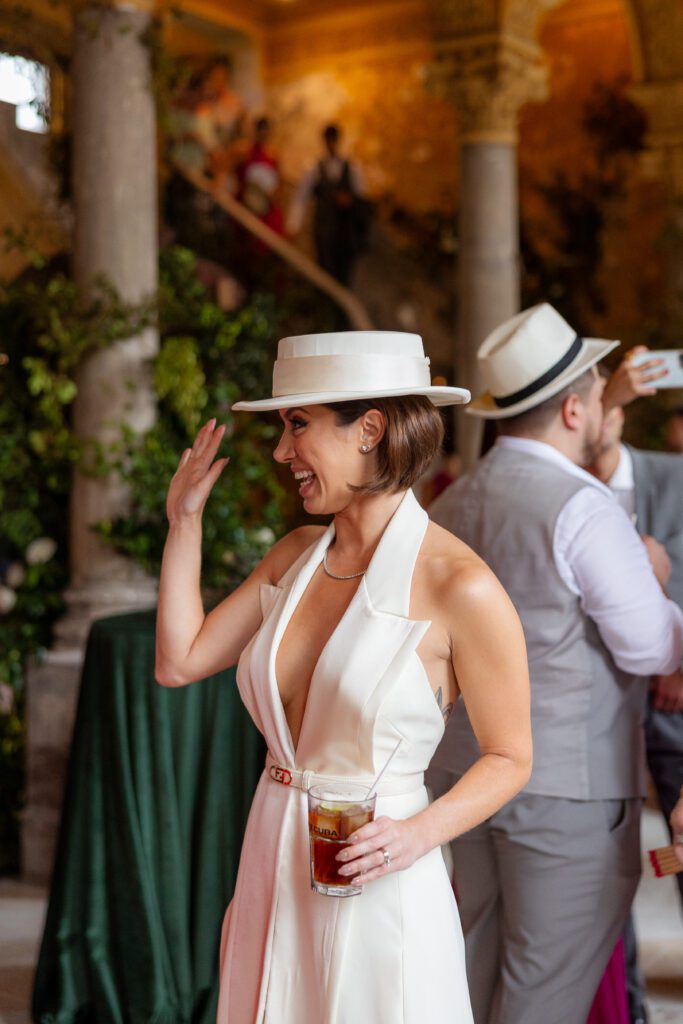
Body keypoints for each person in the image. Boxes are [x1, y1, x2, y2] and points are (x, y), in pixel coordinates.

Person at [155, 330, 533, 1023]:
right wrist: (184, 523)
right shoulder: (296, 554)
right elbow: (179, 662)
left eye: (296, 425)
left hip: (377, 868)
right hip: (270, 851)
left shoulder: (461, 585)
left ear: (368, 430)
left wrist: (416, 835)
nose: (279, 451)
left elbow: (509, 756)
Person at [427, 303, 683, 1024]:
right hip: (567, 788)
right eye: (601, 394)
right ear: (572, 410)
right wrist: (655, 576)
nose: (606, 406)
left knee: (474, 980)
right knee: (545, 994)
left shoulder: (451, 504)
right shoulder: (582, 507)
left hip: (463, 775)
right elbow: (650, 647)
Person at [591, 392, 683, 1024]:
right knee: (605, 869)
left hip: (673, 703)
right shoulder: (553, 491)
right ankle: (631, 1009)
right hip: (597, 714)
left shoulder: (673, 474)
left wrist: (675, 657)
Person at [287, 124, 368, 284]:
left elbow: (362, 201)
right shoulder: (313, 167)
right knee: (323, 273)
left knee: (343, 277)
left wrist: (349, 201)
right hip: (323, 231)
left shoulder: (352, 168)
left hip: (345, 234)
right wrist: (293, 225)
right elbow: (301, 198)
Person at [235, 116, 283, 236]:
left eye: (266, 131)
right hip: (244, 205)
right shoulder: (244, 149)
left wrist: (271, 195)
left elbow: (278, 187)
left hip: (264, 210)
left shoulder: (273, 156)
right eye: (262, 130)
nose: (264, 134)